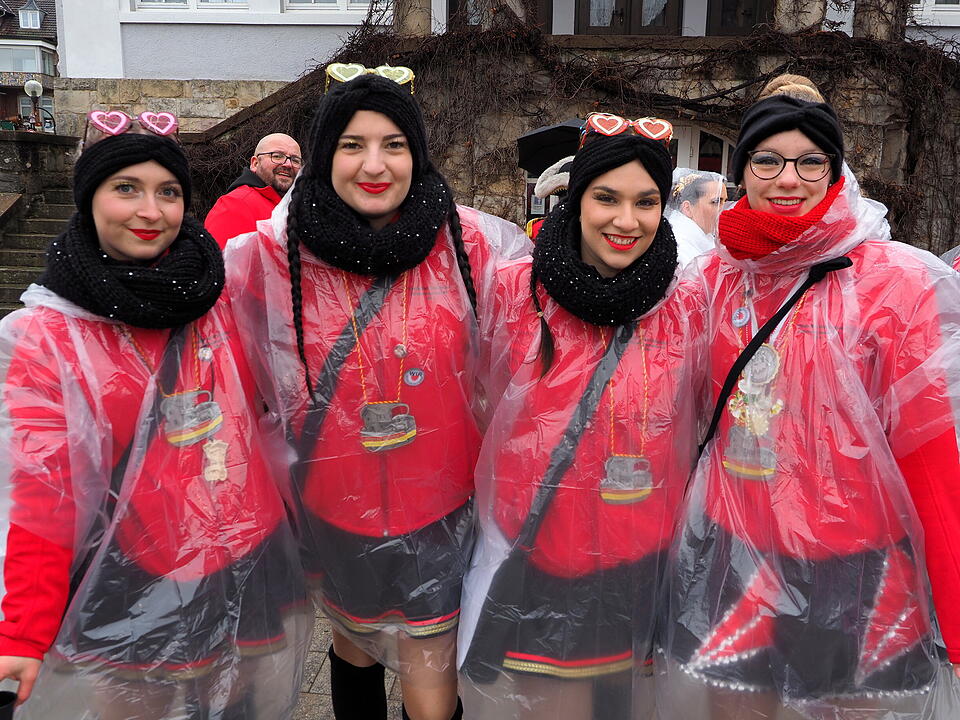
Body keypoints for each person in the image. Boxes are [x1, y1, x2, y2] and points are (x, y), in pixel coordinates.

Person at [224, 64, 529, 720]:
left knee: (429, 661)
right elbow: (210, 344)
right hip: (330, 509)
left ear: (417, 155)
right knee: (354, 644)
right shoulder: (271, 256)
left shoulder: (468, 243)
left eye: (394, 145)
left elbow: (541, 325)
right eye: (352, 145)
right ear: (325, 153)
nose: (375, 164)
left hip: (442, 503)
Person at [658, 76, 960, 719]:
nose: (786, 177)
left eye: (809, 160)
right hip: (733, 551)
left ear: (834, 170)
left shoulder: (893, 282)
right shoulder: (709, 279)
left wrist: (954, 602)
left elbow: (928, 447)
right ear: (740, 171)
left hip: (854, 565)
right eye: (766, 159)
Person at [0, 113, 310, 720]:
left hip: (242, 561)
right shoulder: (46, 337)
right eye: (126, 188)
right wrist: (20, 634)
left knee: (241, 707)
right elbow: (42, 492)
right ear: (88, 199)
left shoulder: (215, 297)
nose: (150, 210)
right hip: (129, 573)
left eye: (167, 192)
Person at [458, 114, 706, 720]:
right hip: (543, 558)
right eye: (606, 198)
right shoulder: (515, 291)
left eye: (646, 201)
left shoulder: (688, 299)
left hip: (646, 567)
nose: (626, 221)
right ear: (575, 198)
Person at [204, 132, 302, 247]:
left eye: (295, 160)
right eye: (277, 156)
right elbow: (218, 261)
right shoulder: (235, 204)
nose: (288, 164)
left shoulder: (300, 207)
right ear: (255, 163)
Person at [665, 168, 727, 267]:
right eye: (716, 202)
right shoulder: (679, 249)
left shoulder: (705, 237)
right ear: (687, 208)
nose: (723, 209)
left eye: (724, 202)